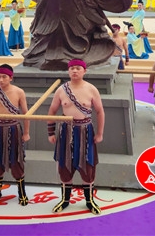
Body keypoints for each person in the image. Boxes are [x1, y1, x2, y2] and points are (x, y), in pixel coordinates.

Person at [47, 59, 105, 215]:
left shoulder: (91, 89)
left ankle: (89, 201)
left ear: (84, 71)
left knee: (88, 165)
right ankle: (65, 200)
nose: (74, 71)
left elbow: (100, 111)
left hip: (86, 131)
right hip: (65, 131)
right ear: (68, 71)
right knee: (64, 165)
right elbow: (52, 111)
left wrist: (100, 133)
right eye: (72, 68)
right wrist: (51, 132)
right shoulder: (61, 90)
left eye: (78, 68)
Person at [0, 64, 30, 206]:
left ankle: (22, 193)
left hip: (14, 129)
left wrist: (26, 132)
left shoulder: (19, 92)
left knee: (16, 162)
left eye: (4, 77)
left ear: (11, 78)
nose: (1, 80)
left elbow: (26, 114)